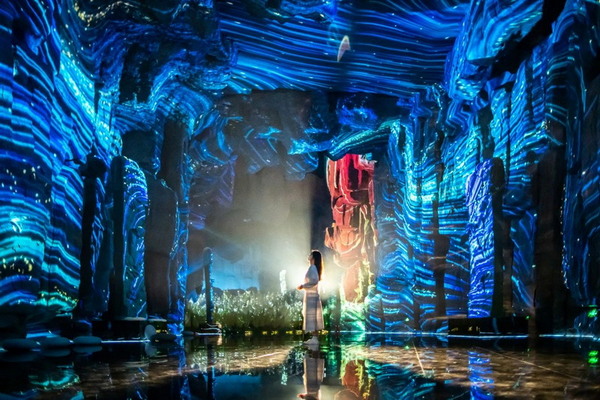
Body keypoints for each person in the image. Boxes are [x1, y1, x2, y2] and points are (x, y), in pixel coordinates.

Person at [297, 250, 324, 345]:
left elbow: (314, 281)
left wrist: (303, 286)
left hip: (311, 296)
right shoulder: (313, 267)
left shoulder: (312, 268)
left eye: (311, 254)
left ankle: (314, 338)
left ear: (313, 257)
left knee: (312, 316)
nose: (309, 255)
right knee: (312, 316)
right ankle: (314, 337)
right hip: (311, 295)